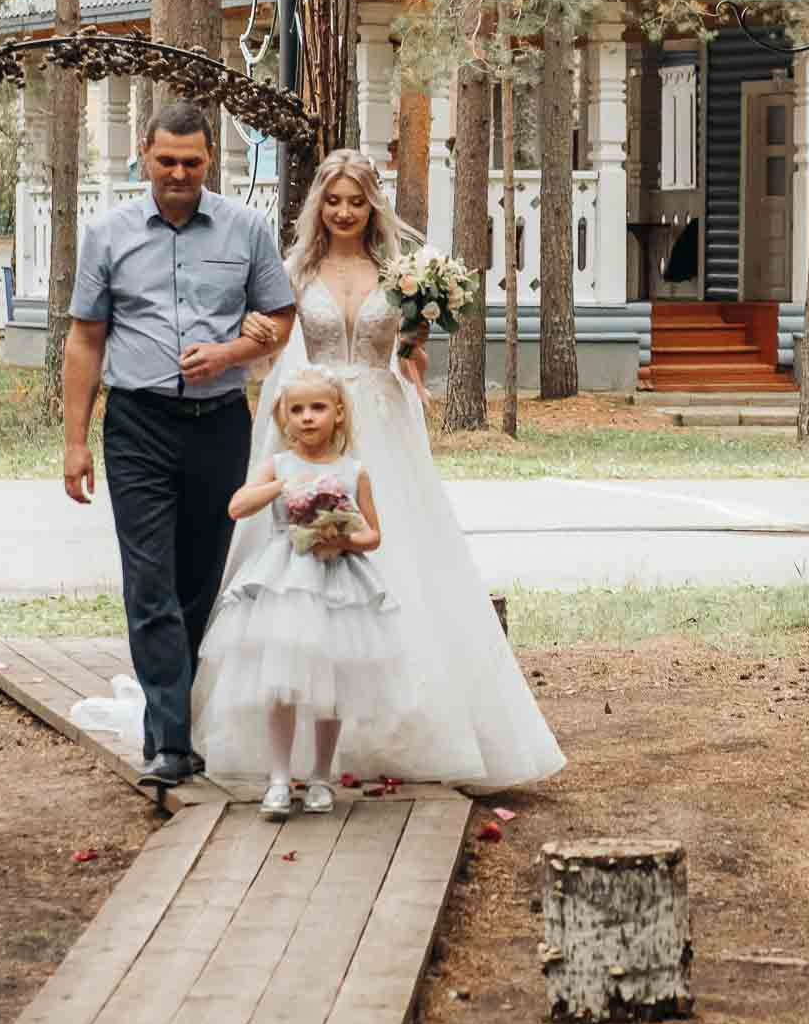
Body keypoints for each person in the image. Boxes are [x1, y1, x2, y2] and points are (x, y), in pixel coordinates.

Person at [228, 147, 564, 790]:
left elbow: (412, 351)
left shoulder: (403, 270)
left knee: (402, 555)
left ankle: (410, 718)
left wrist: (416, 357)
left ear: (372, 205)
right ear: (318, 207)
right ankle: (298, 732)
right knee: (306, 563)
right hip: (317, 417)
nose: (345, 212)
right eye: (333, 201)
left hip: (381, 419)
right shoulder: (296, 270)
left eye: (356, 201)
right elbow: (271, 338)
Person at [62, 101, 295, 789]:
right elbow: (85, 338)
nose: (179, 173)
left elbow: (280, 317)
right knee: (150, 580)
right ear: (145, 153)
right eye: (167, 160)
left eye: (192, 163)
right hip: (137, 424)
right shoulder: (106, 233)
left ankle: (176, 717)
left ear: (209, 160)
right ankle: (170, 740)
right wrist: (74, 441)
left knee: (199, 580)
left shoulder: (247, 229)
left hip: (220, 422)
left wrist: (228, 354)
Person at [193, 368, 407, 817]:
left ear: (339, 414)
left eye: (318, 408)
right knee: (282, 682)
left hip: (336, 584)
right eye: (297, 410)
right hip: (286, 581)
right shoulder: (279, 466)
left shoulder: (353, 471)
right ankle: (276, 778)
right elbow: (237, 506)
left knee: (329, 683)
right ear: (283, 417)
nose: (308, 418)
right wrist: (282, 486)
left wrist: (343, 538)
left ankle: (320, 777)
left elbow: (374, 535)